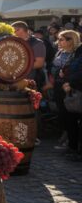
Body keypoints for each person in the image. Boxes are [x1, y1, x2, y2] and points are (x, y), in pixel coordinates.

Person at [51, 30, 82, 158]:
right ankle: (71, 146)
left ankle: (75, 147)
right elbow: (54, 68)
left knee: (73, 118)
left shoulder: (78, 53)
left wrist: (69, 81)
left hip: (74, 88)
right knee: (66, 118)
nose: (59, 42)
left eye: (62, 39)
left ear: (71, 40)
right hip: (60, 87)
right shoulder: (60, 52)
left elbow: (78, 71)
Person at [13, 21, 47, 88]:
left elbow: (39, 63)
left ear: (20, 30)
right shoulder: (15, 42)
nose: (12, 33)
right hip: (18, 79)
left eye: (13, 31)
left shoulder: (37, 43)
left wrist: (20, 68)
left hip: (33, 79)